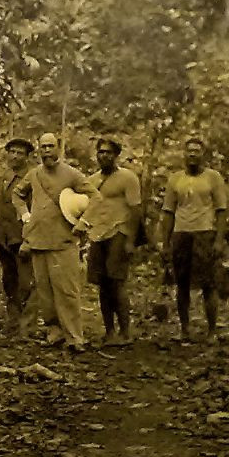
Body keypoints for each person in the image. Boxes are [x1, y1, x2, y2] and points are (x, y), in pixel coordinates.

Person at [18, 132, 97, 353]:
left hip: (63, 241)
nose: (47, 151)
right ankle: (54, 332)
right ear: (38, 149)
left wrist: (84, 222)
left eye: (51, 147)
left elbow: (96, 197)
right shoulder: (34, 174)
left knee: (68, 291)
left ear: (58, 148)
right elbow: (18, 194)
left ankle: (75, 337)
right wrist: (25, 215)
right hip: (38, 240)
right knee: (45, 292)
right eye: (43, 147)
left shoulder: (71, 174)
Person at [158, 137, 229, 342]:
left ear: (203, 154)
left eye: (197, 151)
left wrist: (218, 239)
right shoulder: (175, 179)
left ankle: (212, 330)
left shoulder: (213, 178)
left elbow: (221, 210)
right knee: (182, 284)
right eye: (189, 151)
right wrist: (166, 242)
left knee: (209, 284)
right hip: (181, 234)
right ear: (184, 154)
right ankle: (185, 329)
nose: (192, 154)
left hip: (205, 232)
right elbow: (169, 212)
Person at [84, 137, 142, 346]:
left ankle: (125, 332)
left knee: (117, 282)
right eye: (101, 152)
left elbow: (135, 210)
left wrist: (130, 240)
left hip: (119, 232)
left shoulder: (128, 178)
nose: (104, 156)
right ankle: (109, 331)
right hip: (98, 235)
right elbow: (87, 207)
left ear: (116, 155)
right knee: (102, 284)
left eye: (108, 152)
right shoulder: (91, 181)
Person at [0, 137, 35, 334]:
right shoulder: (3, 177)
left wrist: (30, 237)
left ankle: (27, 325)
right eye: (12, 152)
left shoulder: (33, 178)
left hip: (23, 236)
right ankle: (13, 321)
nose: (15, 156)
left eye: (20, 153)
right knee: (9, 280)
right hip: (4, 237)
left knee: (26, 282)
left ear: (27, 157)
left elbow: (36, 209)